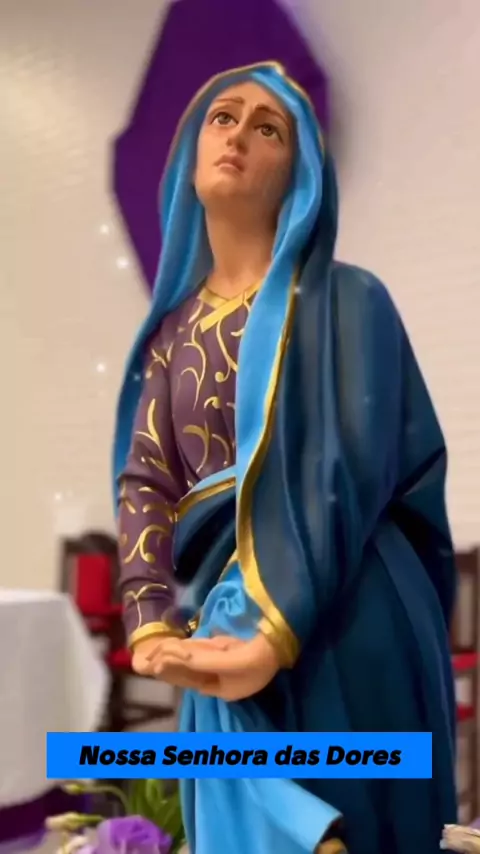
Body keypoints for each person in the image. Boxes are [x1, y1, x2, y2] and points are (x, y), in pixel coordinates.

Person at [113, 62, 458, 854]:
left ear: (301, 173)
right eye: (222, 117)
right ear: (188, 158)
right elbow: (147, 481)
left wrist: (270, 627)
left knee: (361, 819)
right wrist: (149, 619)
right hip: (218, 625)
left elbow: (349, 464)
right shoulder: (171, 340)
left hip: (346, 608)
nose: (238, 134)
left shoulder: (346, 300)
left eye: (267, 127)